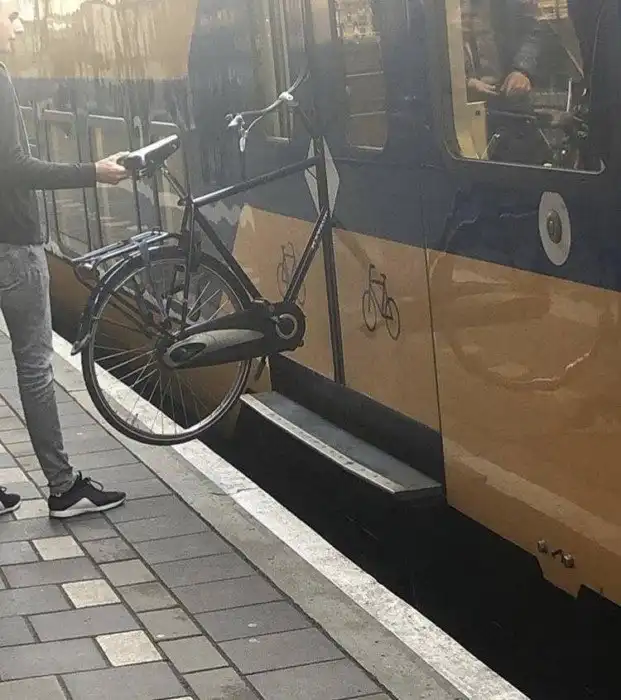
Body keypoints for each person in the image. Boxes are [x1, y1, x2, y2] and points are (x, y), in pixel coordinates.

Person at [0, 4, 128, 518]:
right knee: (35, 366)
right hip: (12, 245)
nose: (17, 25)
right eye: (9, 15)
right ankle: (63, 488)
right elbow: (13, 166)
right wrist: (91, 171)